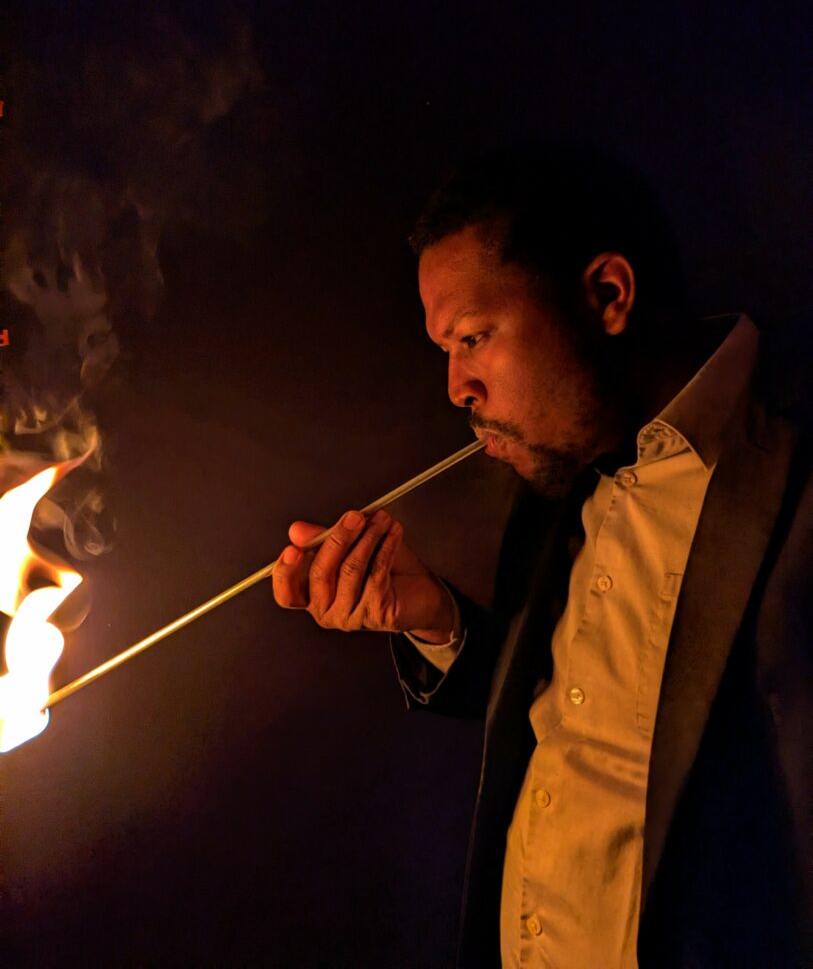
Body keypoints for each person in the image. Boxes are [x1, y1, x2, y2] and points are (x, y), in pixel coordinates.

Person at [272, 145, 811, 968]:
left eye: (473, 338)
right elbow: (584, 699)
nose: (457, 387)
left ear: (606, 296)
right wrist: (436, 622)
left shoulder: (790, 460)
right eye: (447, 350)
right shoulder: (560, 467)